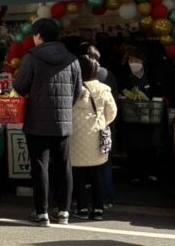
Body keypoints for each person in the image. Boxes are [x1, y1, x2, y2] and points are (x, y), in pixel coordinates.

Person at [14, 17, 82, 227]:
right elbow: (78, 92)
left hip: (36, 122)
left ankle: (41, 212)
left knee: (40, 166)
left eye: (34, 35)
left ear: (39, 36)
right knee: (64, 166)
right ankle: (63, 212)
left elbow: (20, 87)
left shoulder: (32, 58)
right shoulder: (72, 59)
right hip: (62, 122)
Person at [70, 49, 117, 221]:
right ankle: (98, 210)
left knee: (77, 175)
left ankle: (81, 208)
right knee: (96, 175)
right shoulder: (103, 89)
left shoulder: (72, 88)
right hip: (96, 135)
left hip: (75, 136)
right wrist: (103, 123)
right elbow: (112, 111)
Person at [119, 46, 164, 185]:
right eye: (131, 60)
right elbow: (121, 90)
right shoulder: (124, 75)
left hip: (150, 116)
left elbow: (159, 91)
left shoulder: (152, 74)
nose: (134, 63)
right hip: (132, 117)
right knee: (133, 146)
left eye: (137, 60)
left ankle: (151, 172)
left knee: (151, 145)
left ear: (143, 61)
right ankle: (135, 174)